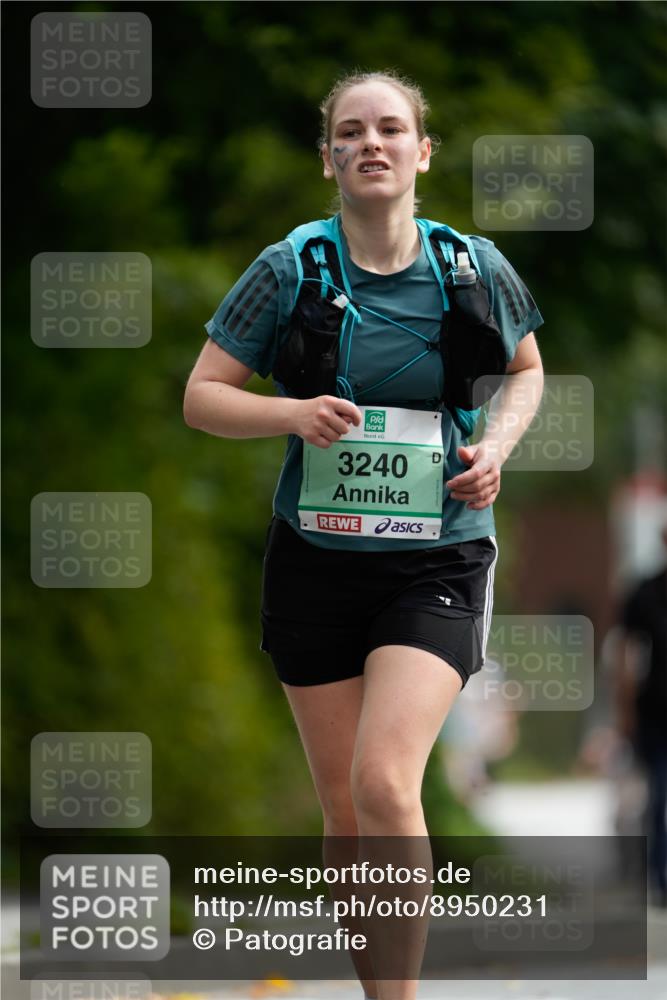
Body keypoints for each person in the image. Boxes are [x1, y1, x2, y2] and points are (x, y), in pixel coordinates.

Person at [184, 70, 544, 1000]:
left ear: (422, 152)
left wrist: (496, 447)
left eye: (392, 128)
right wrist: (292, 415)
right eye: (352, 131)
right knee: (344, 808)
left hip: (440, 553)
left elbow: (528, 371)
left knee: (385, 782)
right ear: (330, 158)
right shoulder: (289, 268)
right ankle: (376, 987)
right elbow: (203, 397)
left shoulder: (471, 267)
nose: (372, 143)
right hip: (316, 561)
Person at [615, 525, 667, 908]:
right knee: (658, 794)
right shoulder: (646, 592)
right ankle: (660, 877)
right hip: (658, 710)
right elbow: (627, 655)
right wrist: (626, 709)